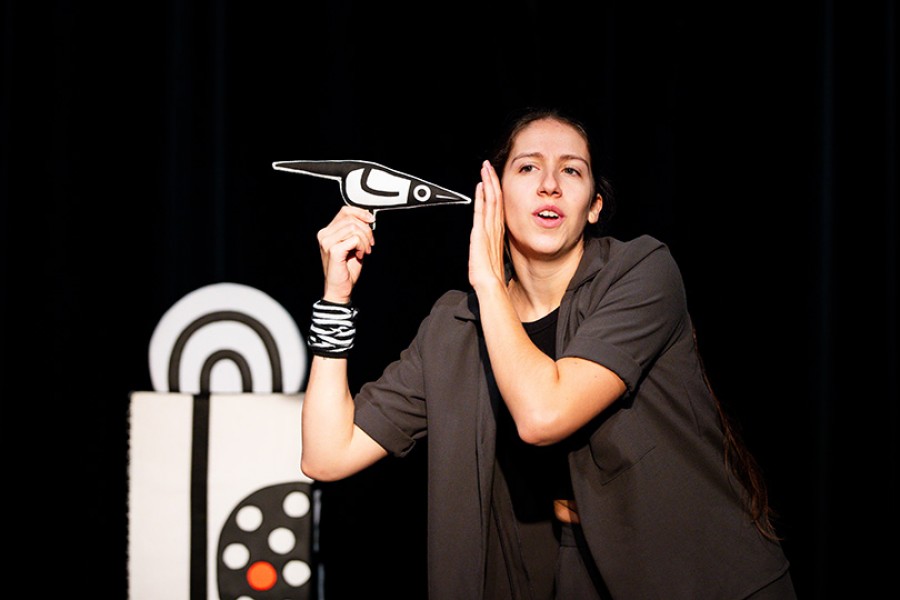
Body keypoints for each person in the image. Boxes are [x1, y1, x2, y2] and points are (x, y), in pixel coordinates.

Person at [300, 107, 796, 599]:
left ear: (594, 206)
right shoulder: (454, 328)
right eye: (528, 167)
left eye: (572, 170)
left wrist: (487, 280)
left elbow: (543, 415)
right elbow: (327, 454)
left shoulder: (641, 272)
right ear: (493, 194)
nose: (550, 185)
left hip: (705, 579)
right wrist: (335, 299)